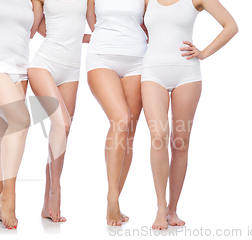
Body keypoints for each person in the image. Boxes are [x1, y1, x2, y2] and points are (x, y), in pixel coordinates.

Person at [141, 0, 238, 230]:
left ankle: (173, 209)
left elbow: (231, 26)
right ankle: (160, 207)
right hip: (152, 71)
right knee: (158, 136)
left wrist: (203, 53)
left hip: (187, 73)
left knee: (180, 142)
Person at [0, 0, 42, 230]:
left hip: (20, 67)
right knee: (21, 120)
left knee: (0, 136)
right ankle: (8, 195)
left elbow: (35, 31)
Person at [86, 0, 148, 226]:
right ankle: (112, 197)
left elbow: (149, 24)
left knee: (129, 131)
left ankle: (115, 199)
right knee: (121, 119)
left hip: (138, 60)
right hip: (102, 56)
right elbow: (93, 22)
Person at [28, 0, 90, 223]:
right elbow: (35, 29)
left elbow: (89, 26)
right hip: (44, 63)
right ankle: (55, 190)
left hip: (71, 69)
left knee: (61, 133)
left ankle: (46, 204)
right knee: (62, 124)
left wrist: (89, 39)